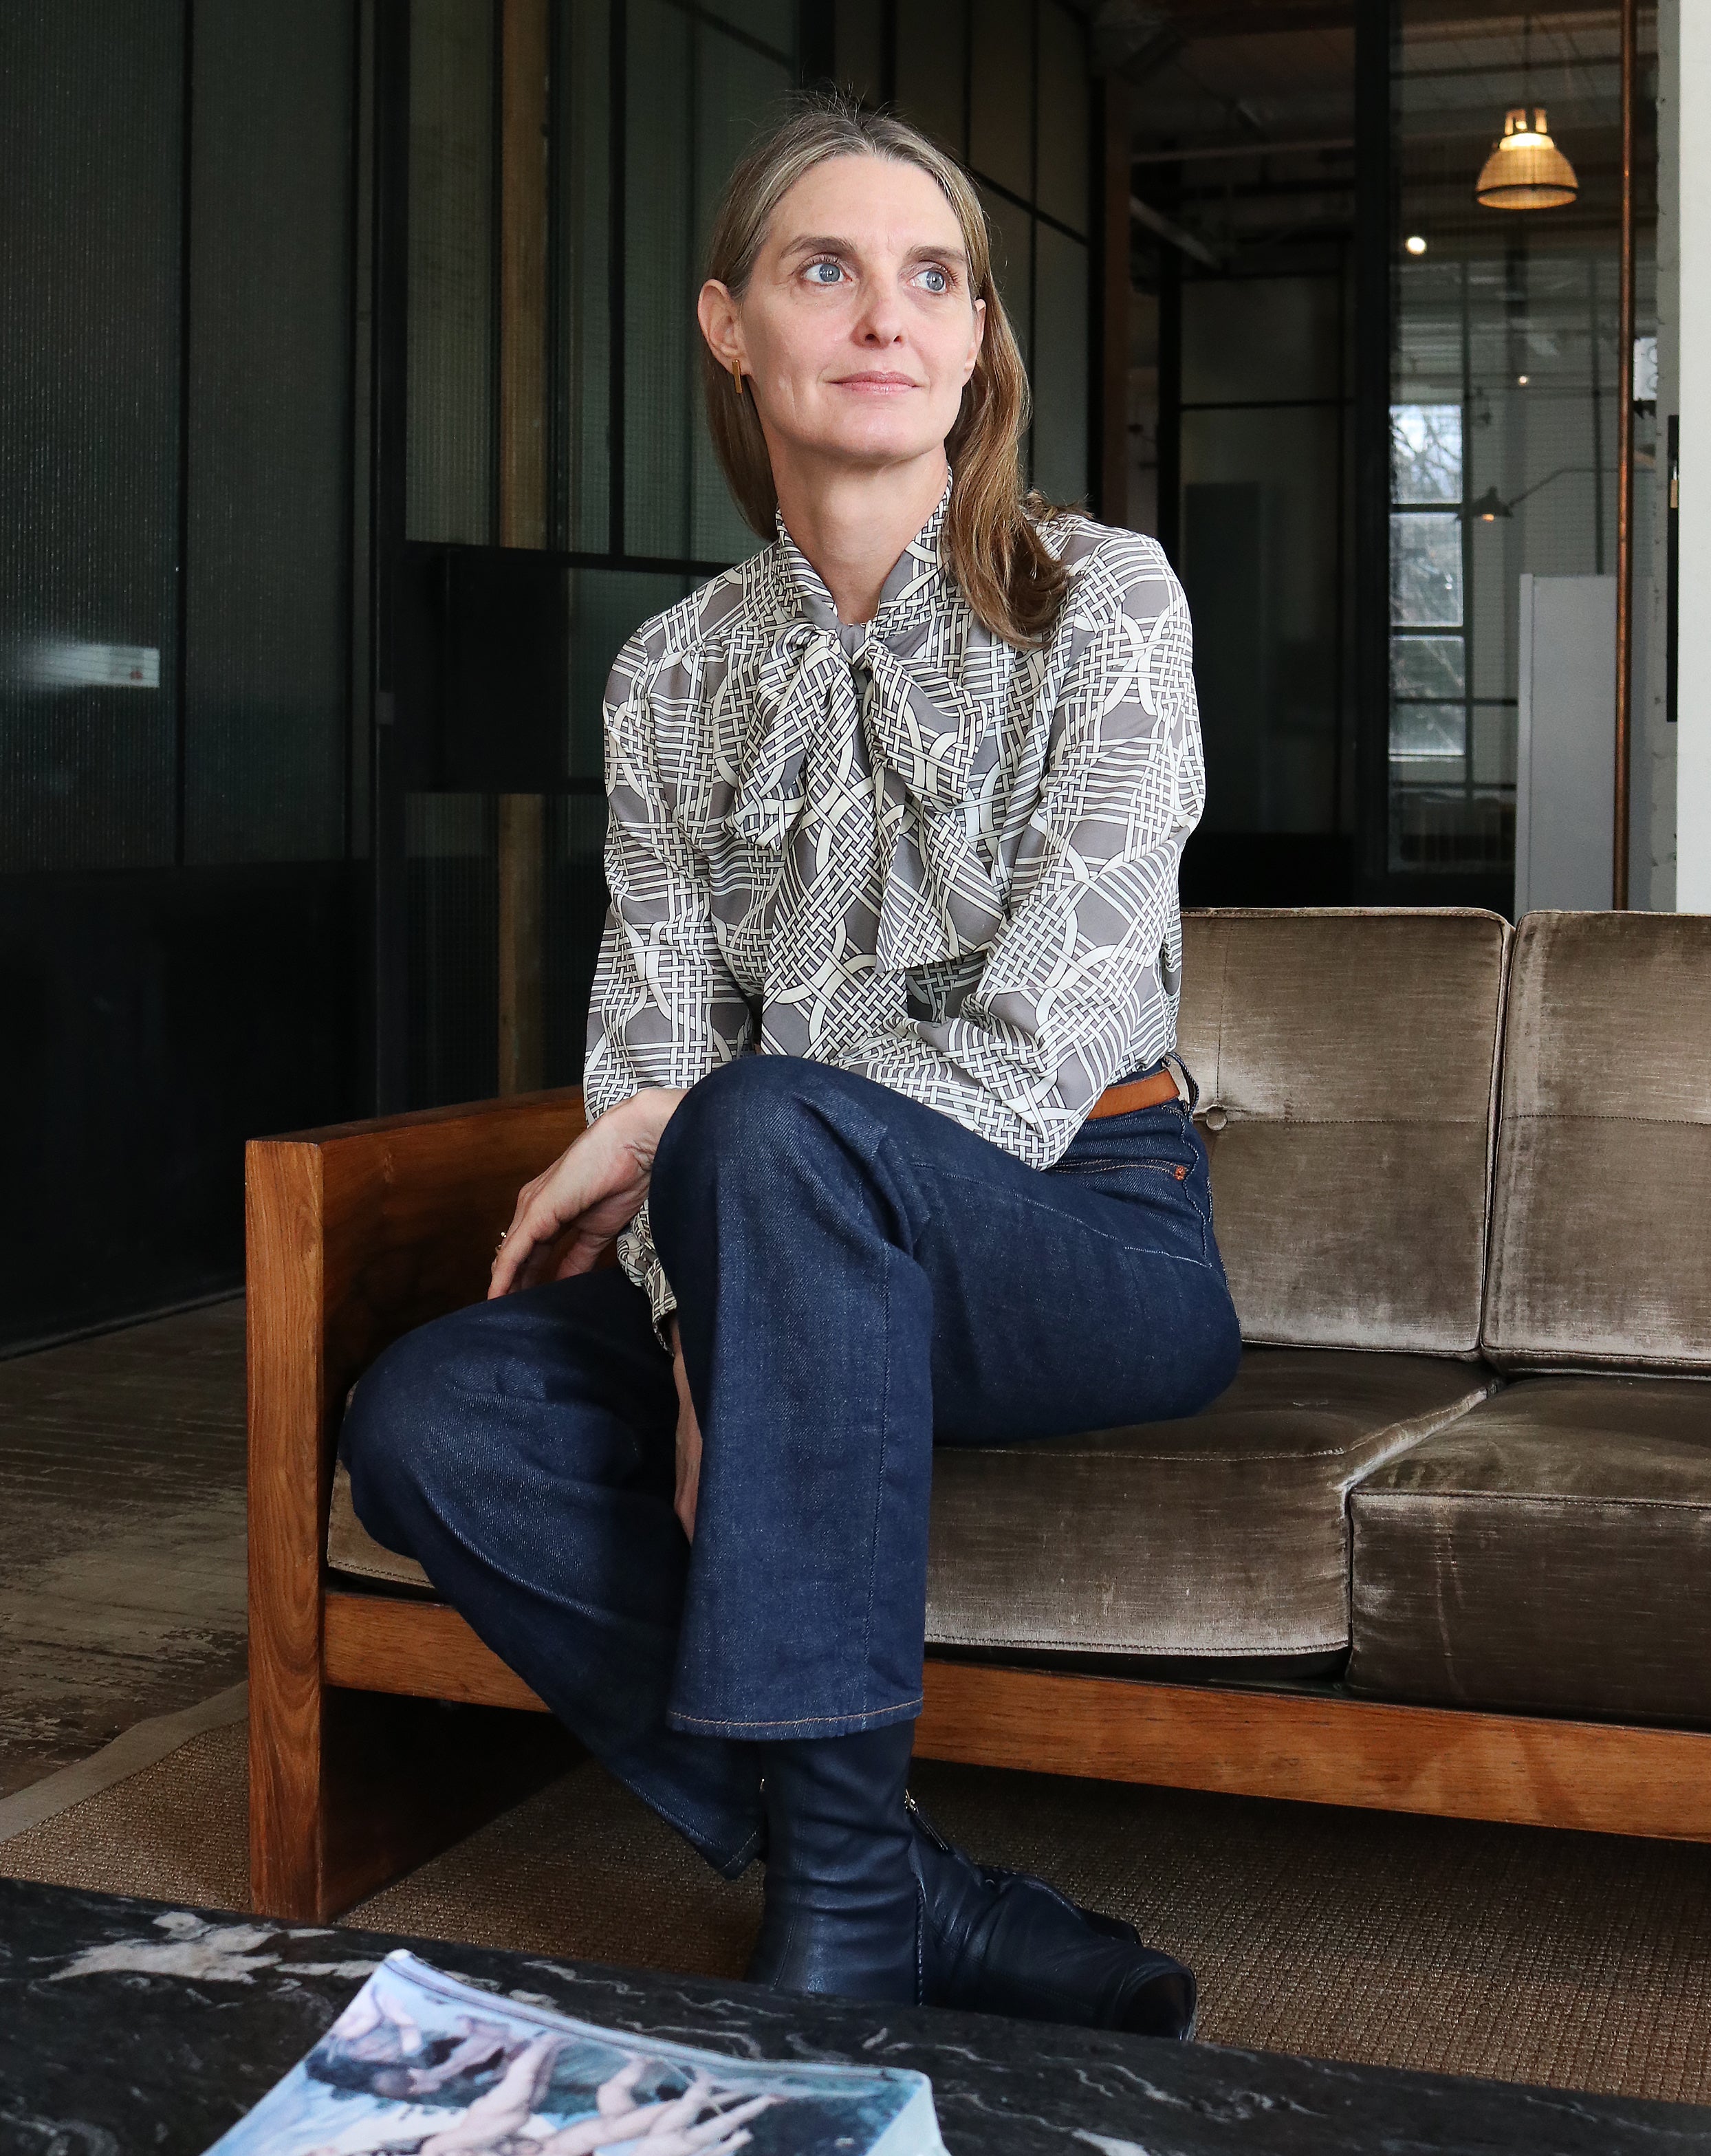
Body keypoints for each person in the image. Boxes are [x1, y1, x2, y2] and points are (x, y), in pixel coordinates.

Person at [343, 94, 1241, 2037]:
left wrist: (698, 1168)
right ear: (729, 325)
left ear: (981, 339)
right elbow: (649, 1025)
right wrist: (695, 1337)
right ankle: (905, 1888)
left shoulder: (1109, 601)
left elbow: (1044, 1037)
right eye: (820, 269)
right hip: (759, 1234)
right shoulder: (667, 674)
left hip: (1080, 1231)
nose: (882, 315)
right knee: (428, 1418)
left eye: (933, 279)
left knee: (752, 1121)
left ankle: (829, 1934)